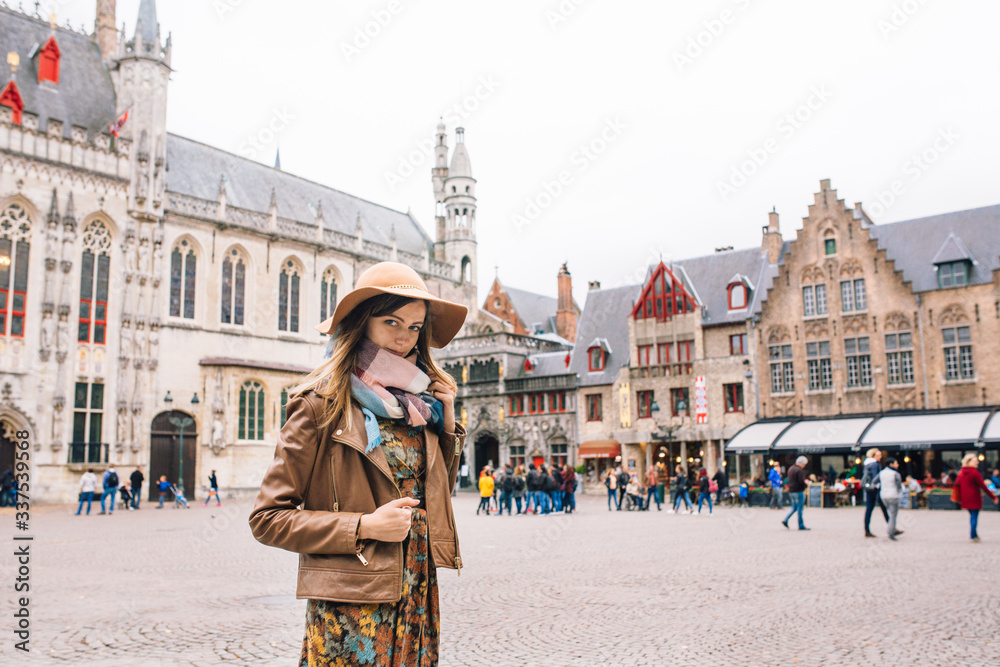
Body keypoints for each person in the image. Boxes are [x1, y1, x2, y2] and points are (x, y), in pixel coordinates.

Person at [248, 261, 468, 665]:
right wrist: (365, 526)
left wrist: (448, 424)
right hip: (354, 596)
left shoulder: (422, 405)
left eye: (416, 327)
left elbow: (436, 495)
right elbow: (267, 518)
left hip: (416, 586)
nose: (405, 338)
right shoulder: (319, 404)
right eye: (392, 322)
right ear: (363, 322)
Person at [953, 453, 999, 542]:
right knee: (974, 517)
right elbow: (983, 486)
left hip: (965, 498)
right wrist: (993, 497)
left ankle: (975, 535)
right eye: (975, 461)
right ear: (969, 462)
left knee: (972, 516)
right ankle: (973, 536)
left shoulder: (961, 473)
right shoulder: (974, 472)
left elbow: (957, 484)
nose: (977, 462)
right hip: (974, 497)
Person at [862, 448, 889, 537]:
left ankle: (867, 529)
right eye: (878, 455)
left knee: (869, 508)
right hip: (875, 489)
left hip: (869, 489)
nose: (880, 457)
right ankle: (891, 527)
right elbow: (876, 477)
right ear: (874, 456)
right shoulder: (875, 464)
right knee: (883, 507)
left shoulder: (867, 464)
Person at [781, 456, 810, 530]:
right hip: (798, 491)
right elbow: (801, 481)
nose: (804, 466)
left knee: (794, 507)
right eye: (804, 464)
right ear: (801, 463)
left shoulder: (791, 469)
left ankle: (785, 519)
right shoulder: (799, 470)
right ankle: (801, 525)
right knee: (800, 508)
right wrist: (805, 484)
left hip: (791, 491)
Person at [879, 458, 904, 540]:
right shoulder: (895, 473)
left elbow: (874, 482)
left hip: (883, 496)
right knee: (893, 515)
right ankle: (891, 532)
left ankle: (892, 529)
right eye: (896, 463)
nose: (898, 465)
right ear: (891, 464)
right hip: (893, 495)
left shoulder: (881, 473)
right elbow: (899, 486)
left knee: (890, 514)